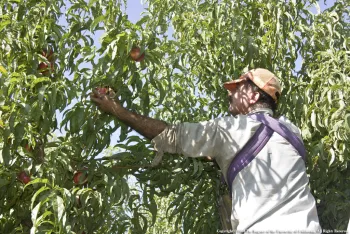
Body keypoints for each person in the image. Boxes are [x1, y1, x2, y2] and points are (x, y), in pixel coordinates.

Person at [90, 68, 321, 233]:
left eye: (237, 88)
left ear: (253, 95)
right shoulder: (292, 131)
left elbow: (173, 136)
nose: (229, 94)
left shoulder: (230, 129)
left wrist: (117, 110)